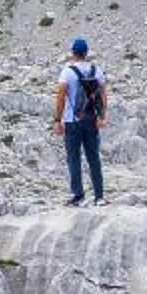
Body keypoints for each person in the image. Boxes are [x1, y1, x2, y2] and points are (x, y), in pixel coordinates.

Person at [54, 37, 107, 206]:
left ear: (73, 53)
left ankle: (78, 196)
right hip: (91, 119)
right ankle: (99, 196)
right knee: (94, 158)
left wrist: (57, 119)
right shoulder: (96, 70)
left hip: (72, 120)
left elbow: (61, 96)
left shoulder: (67, 72)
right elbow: (103, 95)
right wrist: (102, 116)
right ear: (86, 53)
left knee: (74, 158)